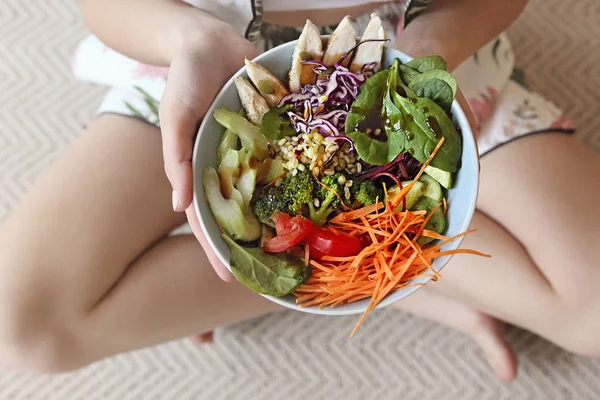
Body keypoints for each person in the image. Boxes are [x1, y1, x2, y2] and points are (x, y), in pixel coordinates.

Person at [0, 0, 598, 382]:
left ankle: (372, 271)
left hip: (424, 64)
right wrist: (188, 37)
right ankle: (373, 278)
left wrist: (429, 48)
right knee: (20, 325)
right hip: (200, 61)